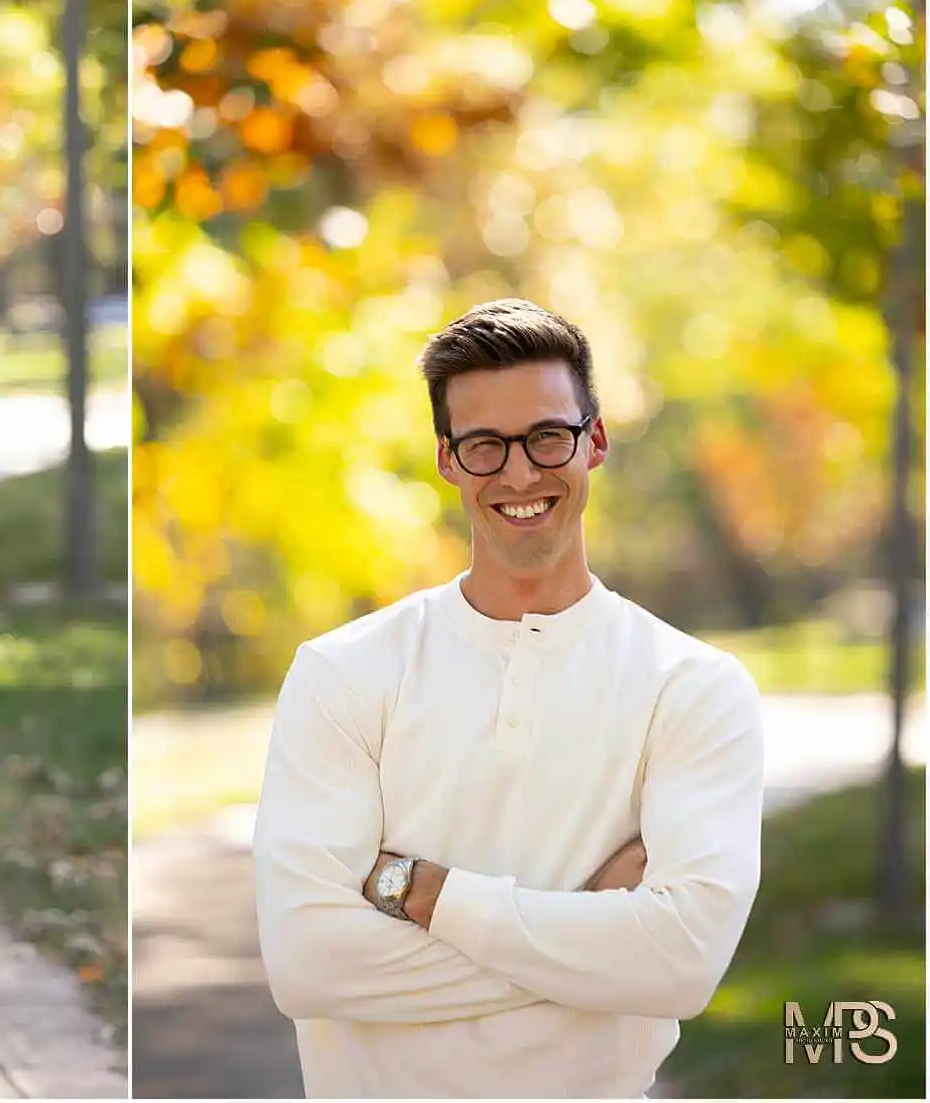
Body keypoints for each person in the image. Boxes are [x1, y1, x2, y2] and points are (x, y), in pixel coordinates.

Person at [252, 299, 764, 1098]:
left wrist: (423, 892)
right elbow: (308, 964)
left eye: (546, 437)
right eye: (485, 446)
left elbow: (684, 963)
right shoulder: (343, 673)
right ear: (448, 461)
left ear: (594, 441)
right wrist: (591, 934)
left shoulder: (691, 687)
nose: (520, 474)